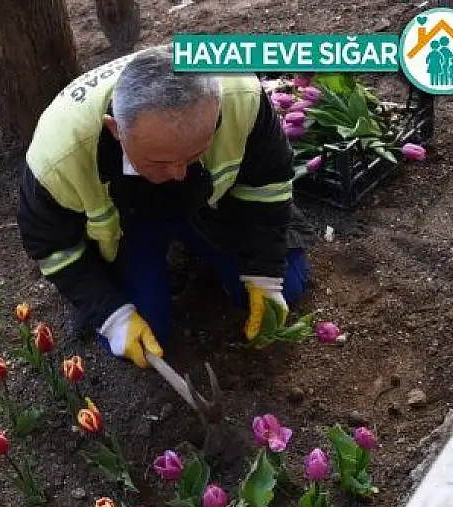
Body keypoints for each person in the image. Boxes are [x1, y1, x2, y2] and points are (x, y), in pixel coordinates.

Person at [17, 45, 312, 370]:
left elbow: (268, 184)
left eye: (195, 153)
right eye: (160, 161)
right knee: (142, 331)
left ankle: (199, 244)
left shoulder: (241, 98)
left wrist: (265, 274)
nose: (178, 173)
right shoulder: (59, 156)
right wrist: (112, 315)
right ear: (116, 130)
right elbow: (52, 247)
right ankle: (150, 256)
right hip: (127, 224)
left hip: (209, 203)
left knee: (289, 282)